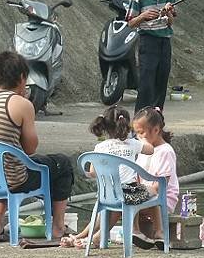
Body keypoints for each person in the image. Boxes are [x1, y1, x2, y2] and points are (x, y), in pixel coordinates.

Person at [0, 51, 74, 242]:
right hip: (15, 180)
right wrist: (25, 103)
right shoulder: (21, 103)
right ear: (22, 77)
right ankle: (58, 227)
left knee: (5, 163)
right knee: (62, 164)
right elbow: (30, 148)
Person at [61, 105, 153, 248]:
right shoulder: (133, 144)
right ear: (127, 125)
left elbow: (92, 172)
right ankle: (96, 238)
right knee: (154, 190)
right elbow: (150, 150)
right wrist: (141, 137)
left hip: (105, 194)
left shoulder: (100, 147)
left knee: (114, 198)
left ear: (105, 126)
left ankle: (87, 236)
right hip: (129, 194)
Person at [126, 0, 180, 112]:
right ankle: (140, 120)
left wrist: (169, 12)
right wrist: (143, 16)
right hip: (148, 42)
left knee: (161, 81)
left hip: (165, 42)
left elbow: (170, 22)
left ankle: (157, 119)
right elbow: (130, 23)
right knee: (147, 83)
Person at [132, 106, 179, 249]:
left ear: (156, 130)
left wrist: (145, 193)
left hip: (163, 197)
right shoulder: (143, 150)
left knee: (133, 197)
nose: (139, 137)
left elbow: (163, 182)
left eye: (141, 133)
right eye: (136, 134)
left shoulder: (165, 151)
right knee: (123, 195)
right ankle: (134, 231)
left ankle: (151, 231)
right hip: (147, 193)